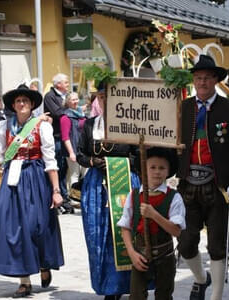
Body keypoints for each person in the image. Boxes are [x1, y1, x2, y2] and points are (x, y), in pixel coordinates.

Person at [176, 54, 229, 300]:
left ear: (216, 80)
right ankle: (200, 278)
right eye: (198, 78)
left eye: (207, 78)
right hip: (188, 183)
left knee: (217, 245)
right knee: (186, 242)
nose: (202, 82)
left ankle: (216, 296)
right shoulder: (184, 107)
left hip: (219, 186)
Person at [0, 84, 64, 298]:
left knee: (37, 225)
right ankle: (24, 280)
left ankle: (44, 263)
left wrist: (55, 189)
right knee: (8, 223)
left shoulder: (41, 126)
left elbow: (50, 159)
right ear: (13, 105)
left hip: (35, 177)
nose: (22, 104)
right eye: (18, 101)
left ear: (32, 104)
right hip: (12, 179)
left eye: (25, 100)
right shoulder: (4, 126)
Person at [77, 83, 140, 300]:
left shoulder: (129, 124)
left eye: (109, 97)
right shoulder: (90, 125)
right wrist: (93, 161)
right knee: (98, 236)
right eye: (102, 97)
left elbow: (137, 156)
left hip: (123, 181)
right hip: (96, 187)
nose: (105, 101)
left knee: (123, 232)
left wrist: (119, 164)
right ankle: (108, 287)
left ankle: (128, 284)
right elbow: (80, 154)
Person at [118, 147, 186, 300]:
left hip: (165, 255)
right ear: (144, 170)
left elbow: (176, 231)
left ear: (168, 171)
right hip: (140, 254)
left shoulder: (174, 198)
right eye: (152, 167)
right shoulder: (134, 195)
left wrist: (154, 215)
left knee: (164, 295)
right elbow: (125, 226)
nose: (157, 172)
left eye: (162, 168)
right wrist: (131, 253)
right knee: (136, 296)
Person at [44, 73, 74, 214]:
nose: (68, 85)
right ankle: (56, 200)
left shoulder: (62, 97)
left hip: (64, 136)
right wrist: (68, 107)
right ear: (58, 85)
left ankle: (64, 200)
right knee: (55, 168)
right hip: (55, 137)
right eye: (66, 82)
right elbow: (57, 113)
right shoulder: (50, 96)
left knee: (63, 169)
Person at [60, 92, 87, 195]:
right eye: (73, 100)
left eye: (76, 99)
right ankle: (75, 198)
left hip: (84, 149)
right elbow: (65, 137)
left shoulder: (82, 114)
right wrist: (71, 153)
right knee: (74, 174)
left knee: (85, 173)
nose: (76, 101)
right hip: (73, 149)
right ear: (67, 102)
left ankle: (85, 196)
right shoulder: (65, 117)